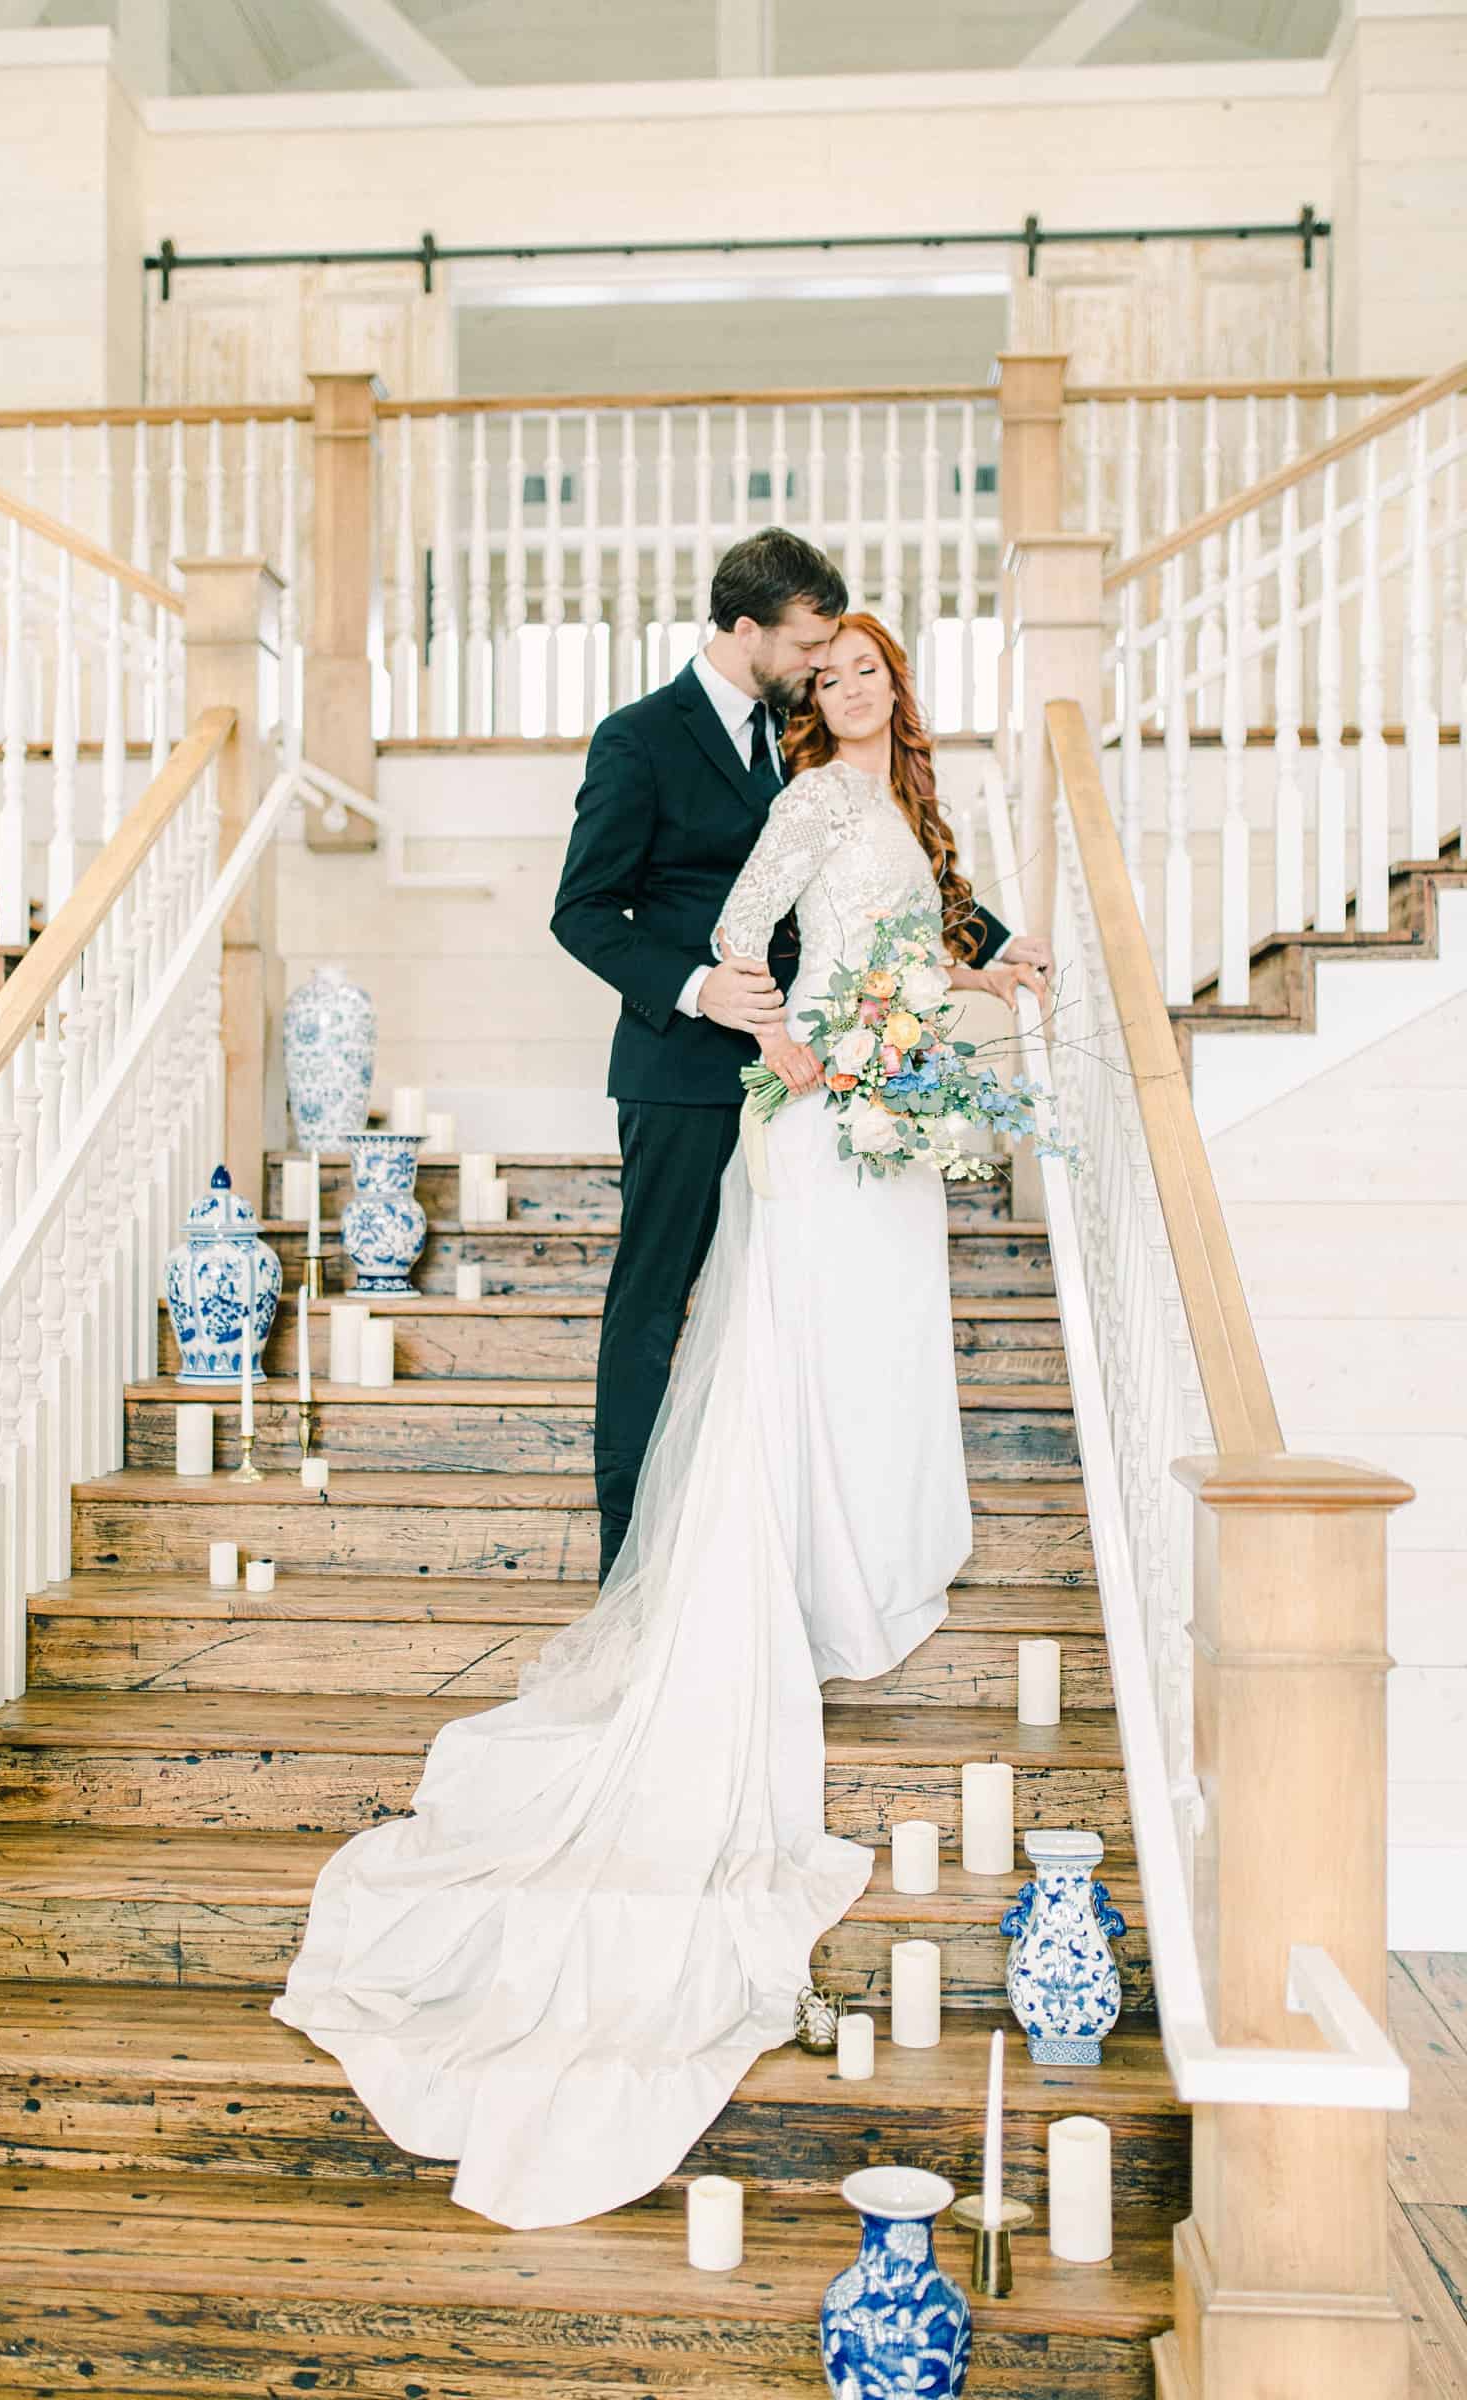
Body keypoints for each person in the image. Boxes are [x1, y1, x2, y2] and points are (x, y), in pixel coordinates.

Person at [272, 605, 1044, 2231]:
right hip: (823, 1116)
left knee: (890, 1346)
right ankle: (807, 1571)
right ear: (801, 689)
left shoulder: (913, 796)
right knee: (798, 1349)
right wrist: (808, 1044)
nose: (854, 692)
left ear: (898, 684)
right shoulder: (806, 803)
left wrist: (987, 959)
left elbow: (925, 928)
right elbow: (752, 941)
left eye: (871, 672)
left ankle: (887, 1550)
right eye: (828, 674)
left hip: (892, 1124)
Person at [548, 528, 1048, 1582]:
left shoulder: (804, 732)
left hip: (826, 1071)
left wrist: (995, 954)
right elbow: (584, 913)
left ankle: (802, 1543)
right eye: (809, 641)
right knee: (653, 1306)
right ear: (744, 630)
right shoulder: (638, 738)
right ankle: (629, 1567)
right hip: (685, 1067)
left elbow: (878, 876)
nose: (824, 661)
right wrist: (700, 989)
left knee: (796, 1308)